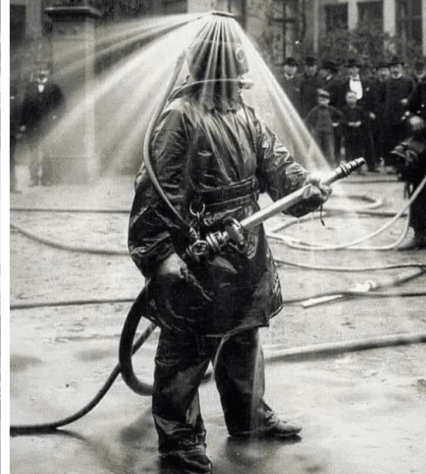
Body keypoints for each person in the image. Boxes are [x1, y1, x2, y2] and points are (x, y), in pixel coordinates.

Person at [128, 15, 331, 474]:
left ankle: (248, 417)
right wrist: (161, 255)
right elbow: (154, 192)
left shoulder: (245, 115)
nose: (237, 80)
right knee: (186, 345)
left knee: (243, 336)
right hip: (198, 249)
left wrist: (306, 187)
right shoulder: (180, 118)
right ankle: (179, 439)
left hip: (245, 247)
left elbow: (277, 167)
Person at [391, 73, 426, 249]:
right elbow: (410, 108)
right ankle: (420, 235)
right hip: (422, 143)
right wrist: (413, 117)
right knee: (418, 189)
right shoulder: (422, 85)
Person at [18, 66, 65, 186]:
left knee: (47, 153)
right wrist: (23, 124)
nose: (41, 72)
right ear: (36, 72)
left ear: (48, 72)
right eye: (39, 70)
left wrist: (55, 119)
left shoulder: (54, 88)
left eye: (44, 70)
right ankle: (33, 179)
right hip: (32, 126)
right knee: (33, 153)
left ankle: (46, 178)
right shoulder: (31, 87)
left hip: (48, 126)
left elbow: (61, 106)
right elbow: (25, 107)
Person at [381, 56, 415, 168]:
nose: (395, 69)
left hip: (403, 115)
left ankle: (402, 165)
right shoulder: (387, 82)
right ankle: (391, 164)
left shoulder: (408, 81)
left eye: (397, 67)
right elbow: (381, 99)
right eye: (393, 67)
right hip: (389, 116)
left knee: (403, 140)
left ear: (401, 68)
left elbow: (414, 97)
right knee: (390, 140)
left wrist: (408, 101)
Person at [305, 88, 343, 167]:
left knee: (329, 149)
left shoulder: (332, 110)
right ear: (318, 101)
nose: (323, 102)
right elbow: (308, 121)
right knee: (317, 149)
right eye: (321, 100)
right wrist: (311, 129)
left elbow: (341, 117)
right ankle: (317, 165)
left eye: (325, 100)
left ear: (328, 101)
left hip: (329, 133)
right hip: (317, 133)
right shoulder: (315, 110)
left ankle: (330, 165)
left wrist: (336, 123)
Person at [340, 90, 370, 164]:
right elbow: (341, 120)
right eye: (349, 97)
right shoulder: (344, 109)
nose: (351, 99)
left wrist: (360, 123)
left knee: (358, 150)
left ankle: (358, 166)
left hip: (358, 133)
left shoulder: (360, 109)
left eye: (353, 97)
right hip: (348, 132)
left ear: (356, 99)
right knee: (348, 150)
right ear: (346, 99)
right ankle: (348, 165)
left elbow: (365, 119)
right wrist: (348, 123)